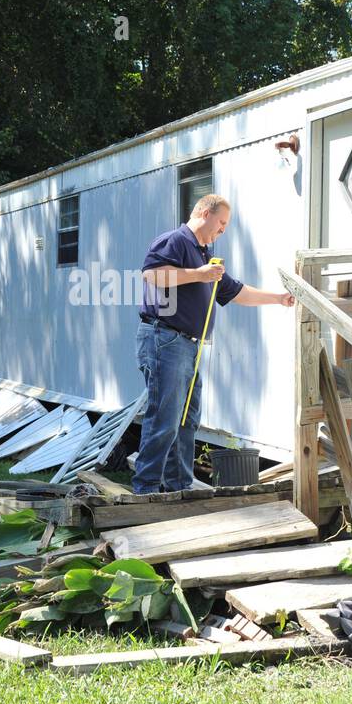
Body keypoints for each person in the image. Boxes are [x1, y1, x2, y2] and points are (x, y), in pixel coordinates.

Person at [132, 194, 295, 494]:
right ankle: (146, 490)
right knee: (165, 418)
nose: (223, 230)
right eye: (221, 223)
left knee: (186, 421)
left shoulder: (205, 255)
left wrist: (278, 299)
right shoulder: (176, 241)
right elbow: (152, 276)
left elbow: (235, 292)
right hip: (165, 340)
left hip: (188, 347)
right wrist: (199, 275)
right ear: (205, 213)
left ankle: (178, 488)